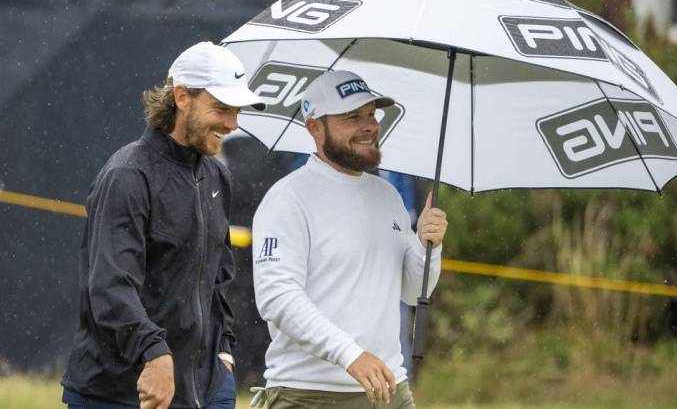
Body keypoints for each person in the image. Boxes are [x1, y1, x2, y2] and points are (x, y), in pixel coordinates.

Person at [61, 41, 266, 409]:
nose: (233, 124)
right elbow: (109, 286)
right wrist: (154, 352)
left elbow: (219, 276)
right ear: (182, 97)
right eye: (221, 108)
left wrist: (223, 349)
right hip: (120, 392)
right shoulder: (127, 175)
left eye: (236, 111)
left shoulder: (217, 176)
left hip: (204, 387)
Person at [251, 70, 448, 408]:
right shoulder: (287, 198)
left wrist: (428, 246)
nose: (369, 125)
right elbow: (277, 297)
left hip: (390, 390)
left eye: (371, 113)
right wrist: (351, 355)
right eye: (352, 116)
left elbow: (415, 292)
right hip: (308, 394)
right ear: (315, 128)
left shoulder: (389, 196)